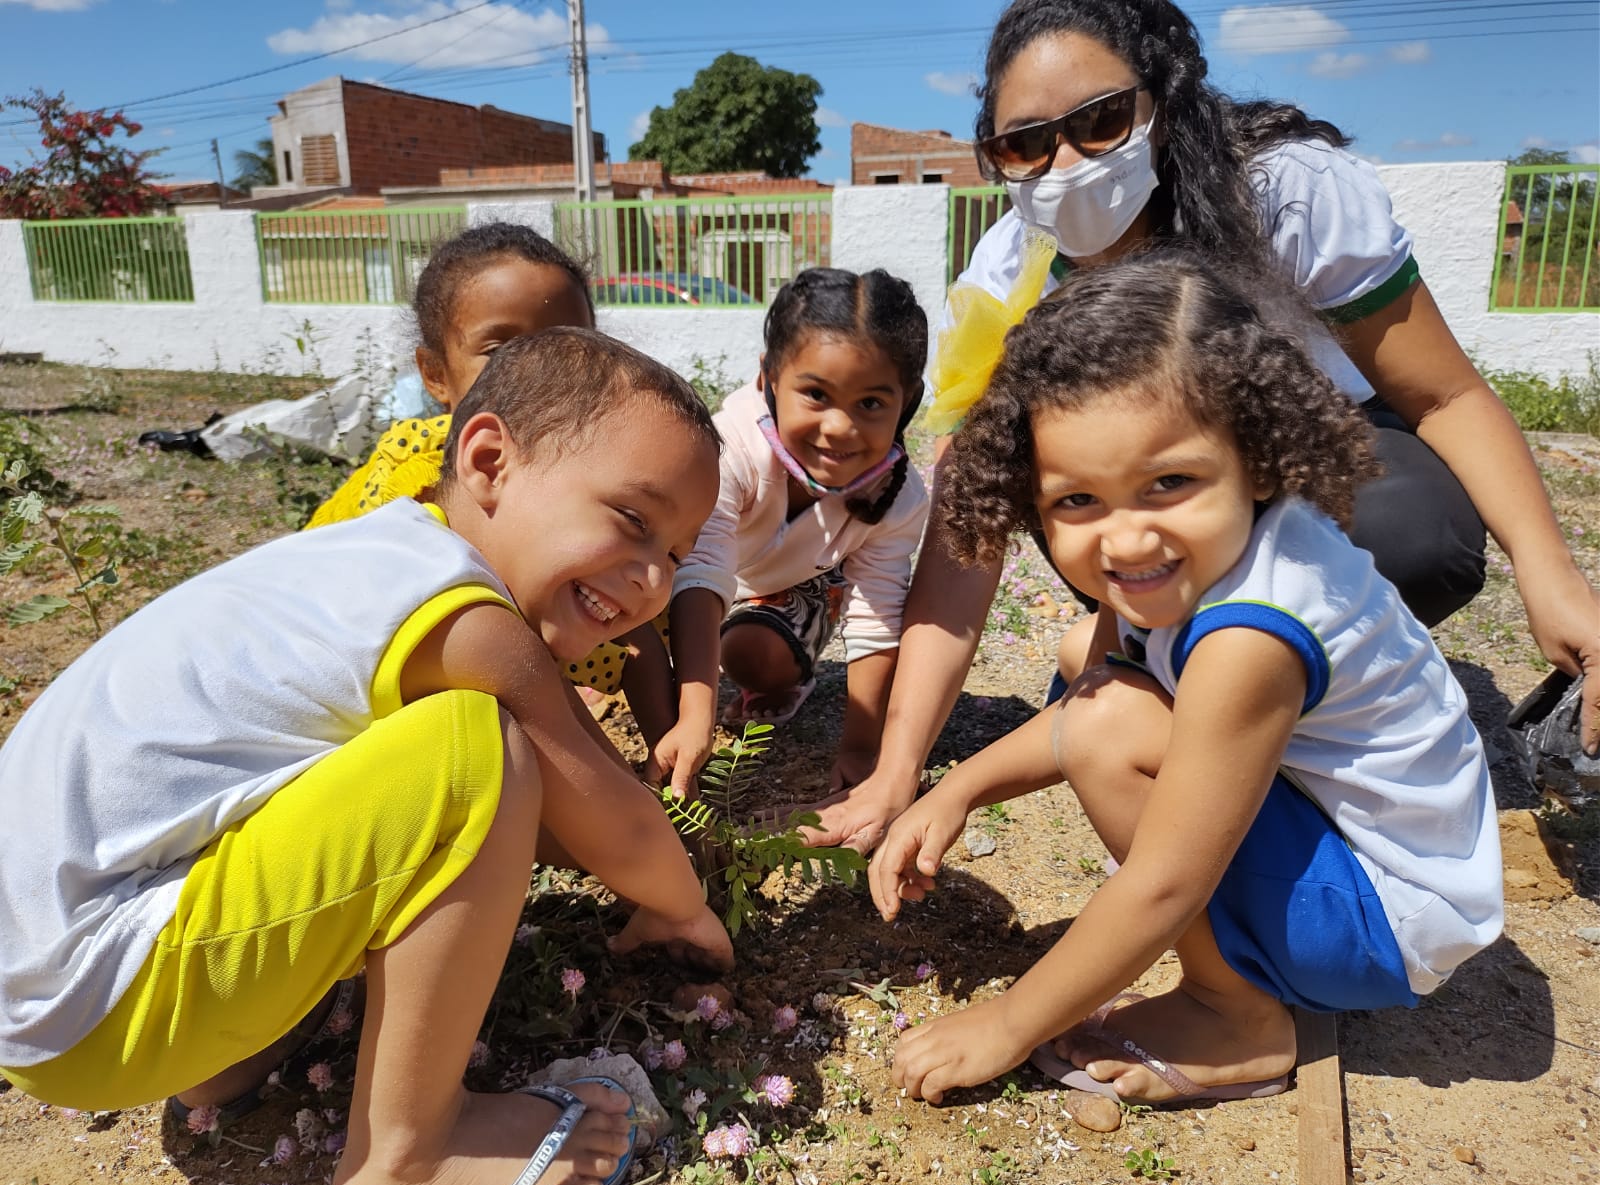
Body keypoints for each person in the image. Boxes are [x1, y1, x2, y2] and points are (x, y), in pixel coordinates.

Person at [806, 0, 1599, 853]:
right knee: (1045, 463)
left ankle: (1234, 682)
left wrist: (1550, 573)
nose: (1065, 163)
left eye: (1100, 121)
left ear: (1165, 100)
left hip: (1329, 446)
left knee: (1414, 539)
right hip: (1161, 487)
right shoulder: (1013, 268)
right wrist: (898, 766)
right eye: (1025, 144)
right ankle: (1157, 657)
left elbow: (1444, 398)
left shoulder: (1285, 193)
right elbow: (970, 525)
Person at [0, 329, 735, 1185]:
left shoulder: (381, 562)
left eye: (677, 555)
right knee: (476, 749)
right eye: (632, 519)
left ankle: (227, 1060)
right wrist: (685, 912)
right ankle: (410, 1160)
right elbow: (608, 809)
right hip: (107, 997)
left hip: (68, 994)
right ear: (490, 459)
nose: (652, 578)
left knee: (448, 765)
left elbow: (564, 799)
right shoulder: (456, 610)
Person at [871, 250, 1504, 1106]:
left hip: (1388, 919)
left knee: (1108, 729)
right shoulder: (1199, 557)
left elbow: (1164, 878)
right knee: (1082, 668)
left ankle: (1235, 1015)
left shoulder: (1253, 638)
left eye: (1169, 483)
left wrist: (1008, 1021)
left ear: (1253, 447)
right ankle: (1250, 957)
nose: (1126, 539)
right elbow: (1096, 687)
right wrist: (957, 792)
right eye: (1077, 501)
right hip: (1364, 841)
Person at [307, 220, 662, 708]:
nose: (539, 375)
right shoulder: (412, 480)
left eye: (567, 348)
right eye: (501, 350)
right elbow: (354, 625)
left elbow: (638, 635)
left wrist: (672, 739)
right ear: (435, 375)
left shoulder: (594, 482)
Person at [642, 268, 930, 798]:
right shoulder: (728, 449)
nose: (840, 427)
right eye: (816, 394)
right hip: (687, 572)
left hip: (786, 588)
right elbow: (701, 570)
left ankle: (789, 669)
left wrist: (862, 748)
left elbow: (877, 616)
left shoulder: (900, 496)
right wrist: (696, 716)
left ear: (907, 401)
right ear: (768, 378)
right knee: (631, 622)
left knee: (751, 654)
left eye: (871, 404)